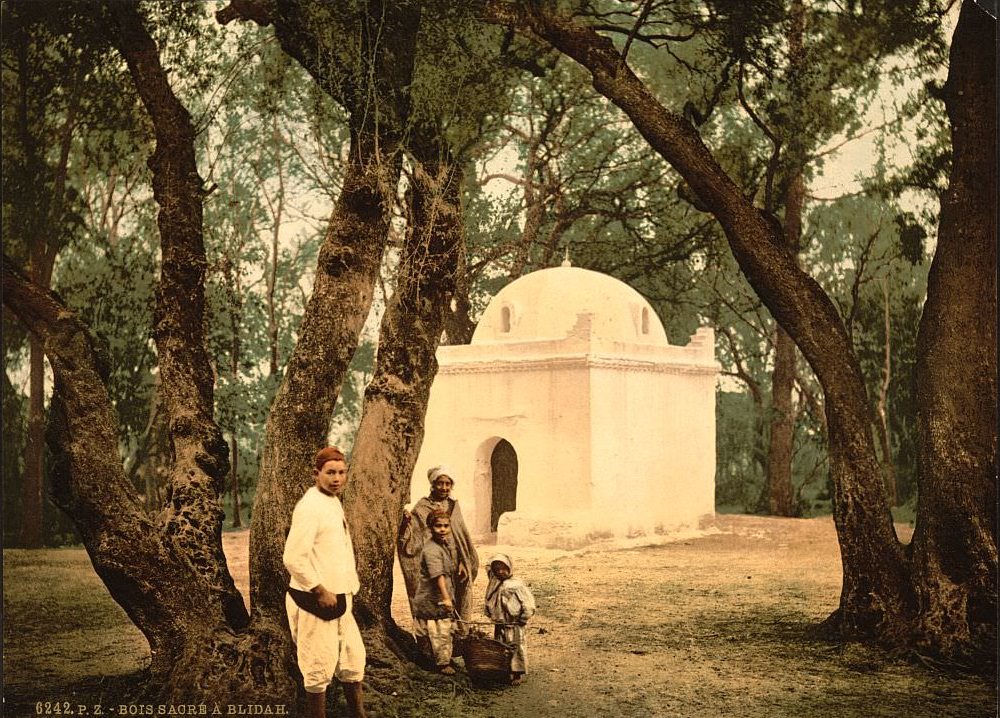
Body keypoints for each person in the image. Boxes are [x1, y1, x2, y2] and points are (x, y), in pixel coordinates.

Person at [283, 446, 367, 718]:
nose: (337, 478)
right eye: (330, 472)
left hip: (341, 596)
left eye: (342, 472)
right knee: (317, 666)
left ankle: (359, 715)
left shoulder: (332, 501)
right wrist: (318, 589)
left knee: (352, 660)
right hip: (315, 600)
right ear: (316, 474)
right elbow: (294, 557)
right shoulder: (309, 506)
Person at [397, 465, 479, 637]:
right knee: (435, 599)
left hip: (455, 562)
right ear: (433, 485)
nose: (444, 487)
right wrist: (405, 522)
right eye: (440, 483)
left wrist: (464, 561)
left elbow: (461, 537)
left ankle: (456, 640)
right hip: (433, 562)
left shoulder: (454, 506)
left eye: (448, 484)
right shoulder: (422, 507)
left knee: (457, 596)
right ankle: (434, 642)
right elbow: (414, 535)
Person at [411, 509, 460, 674]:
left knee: (440, 631)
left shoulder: (443, 545)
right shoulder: (431, 549)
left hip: (438, 596)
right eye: (438, 526)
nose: (442, 529)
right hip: (432, 598)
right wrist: (447, 599)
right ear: (430, 528)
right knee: (438, 632)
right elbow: (437, 576)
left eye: (446, 526)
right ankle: (441, 664)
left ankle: (436, 660)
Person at [484, 553, 536, 686]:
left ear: (510, 567)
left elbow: (528, 603)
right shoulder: (495, 584)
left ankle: (517, 673)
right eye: (497, 569)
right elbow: (490, 599)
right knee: (501, 646)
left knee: (516, 646)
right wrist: (491, 614)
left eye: (504, 568)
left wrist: (524, 617)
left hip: (514, 623)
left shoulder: (516, 585)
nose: (501, 572)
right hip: (501, 623)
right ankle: (504, 671)